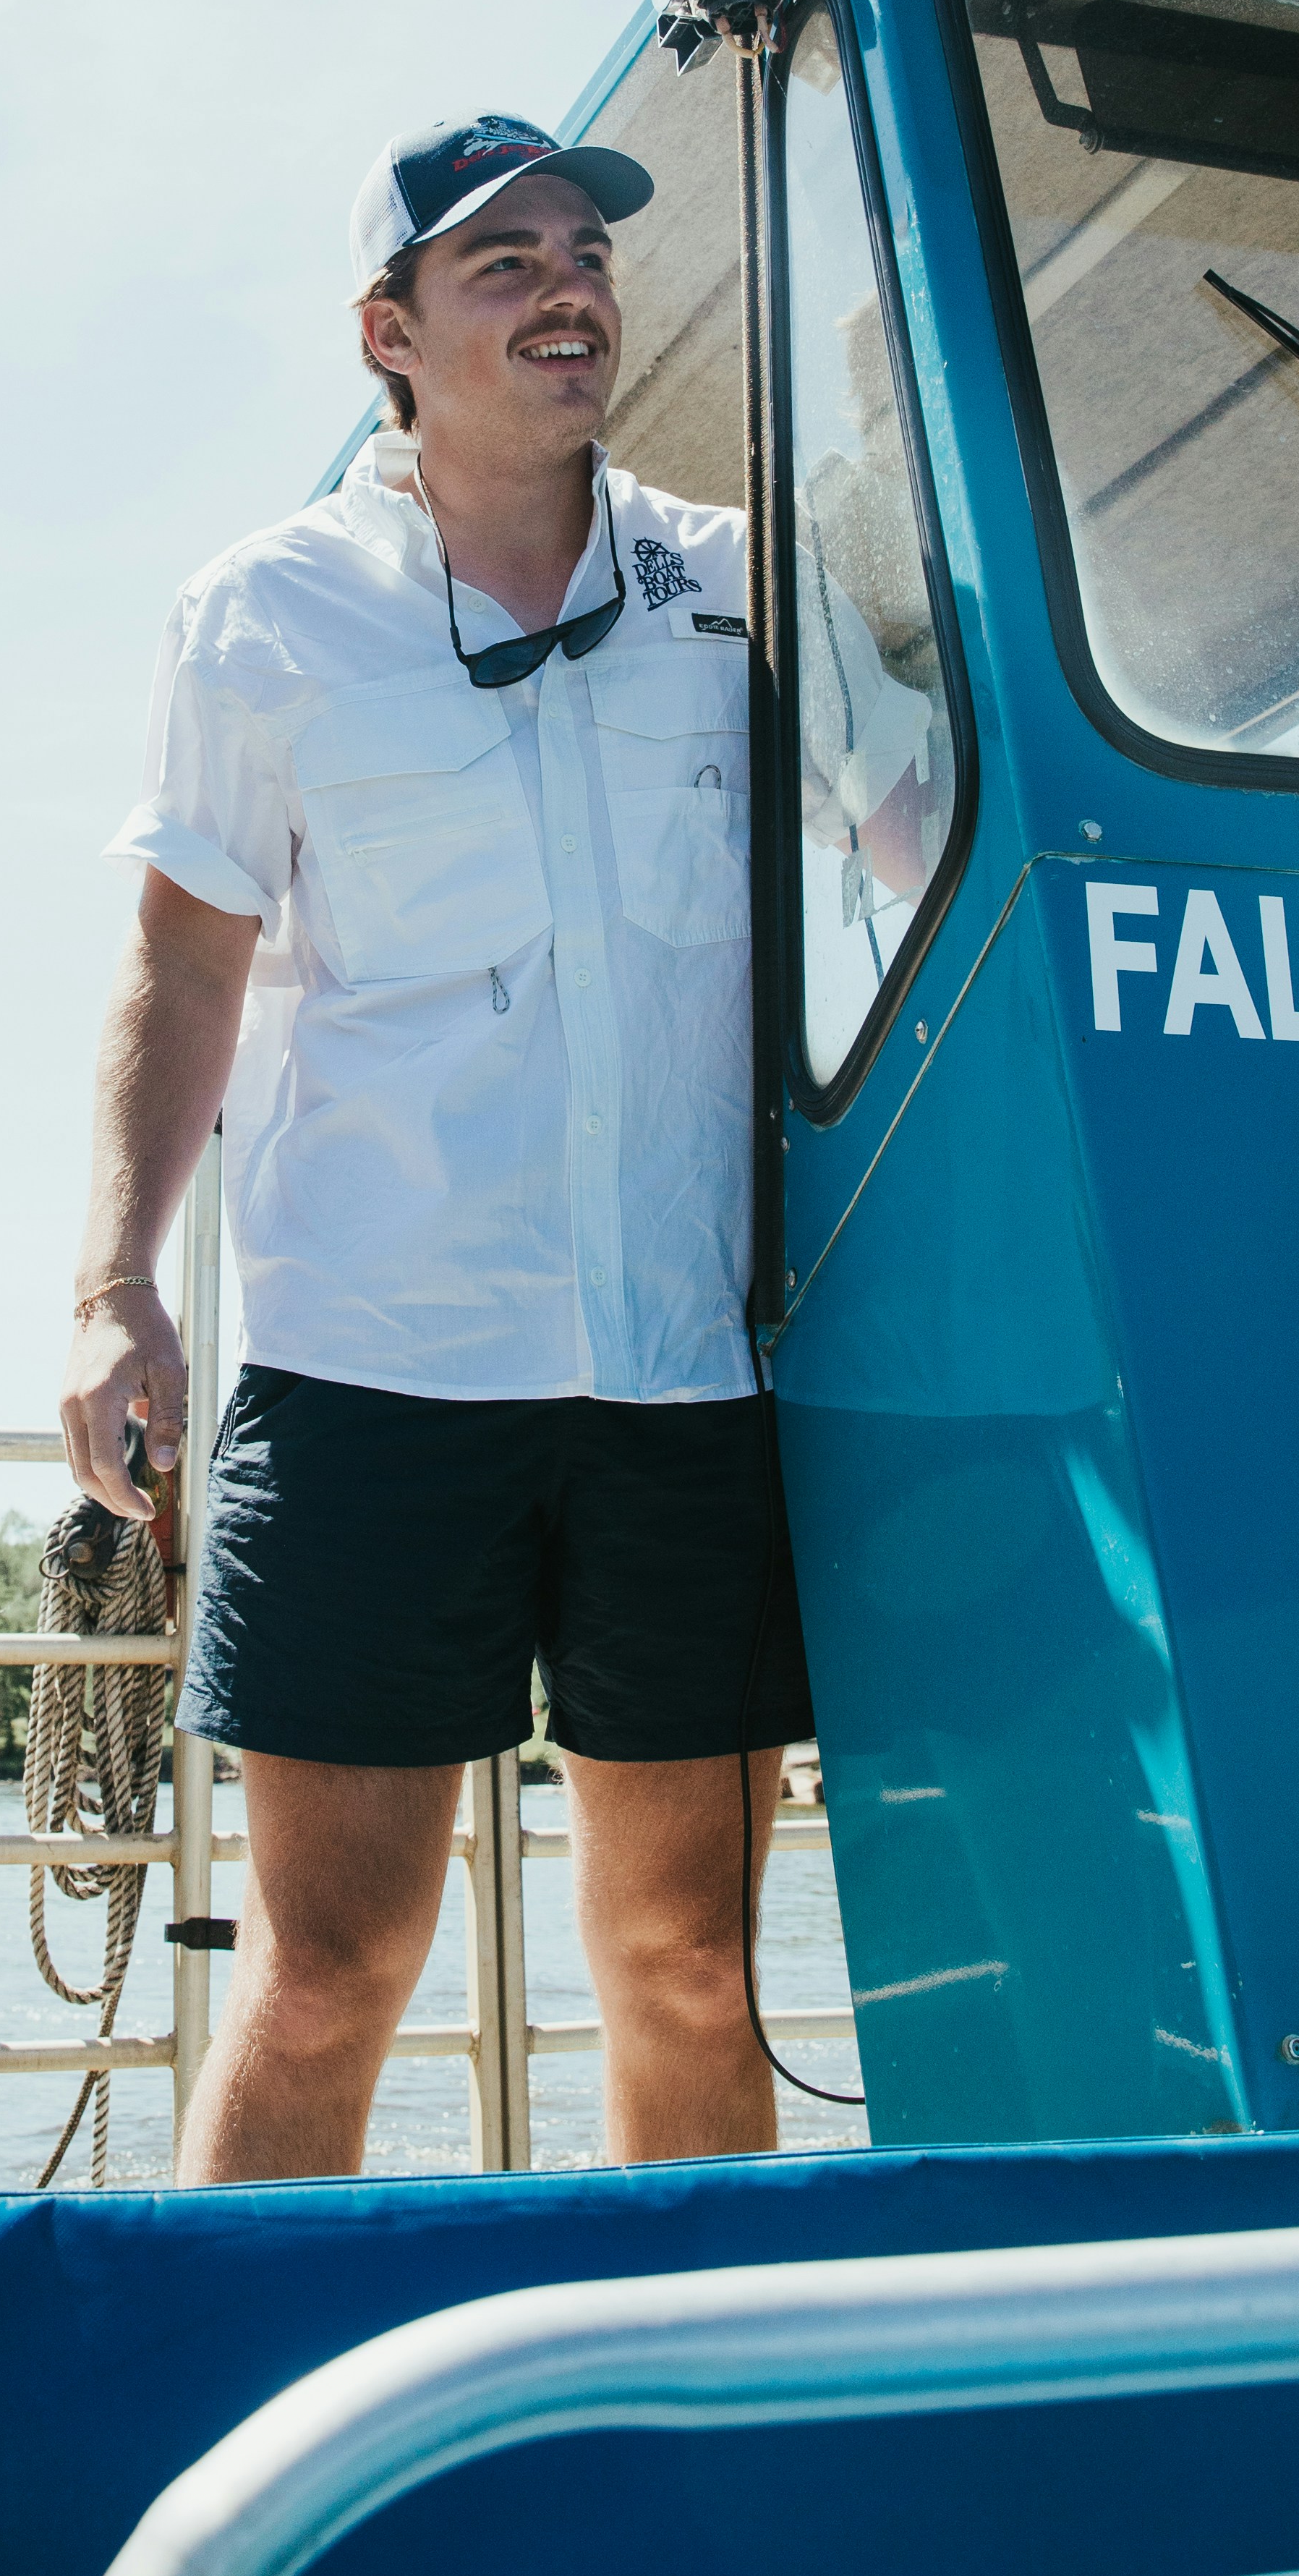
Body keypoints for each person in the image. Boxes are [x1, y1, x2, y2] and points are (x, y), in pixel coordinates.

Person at [61, 105, 812, 2182]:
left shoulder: (746, 590)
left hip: (685, 1369)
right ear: (388, 333)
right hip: (377, 1370)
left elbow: (915, 847)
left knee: (686, 1963)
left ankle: (699, 2413)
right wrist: (116, 1281)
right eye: (508, 263)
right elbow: (182, 971)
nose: (570, 288)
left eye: (585, 253)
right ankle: (237, 2431)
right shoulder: (266, 615)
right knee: (325, 1975)